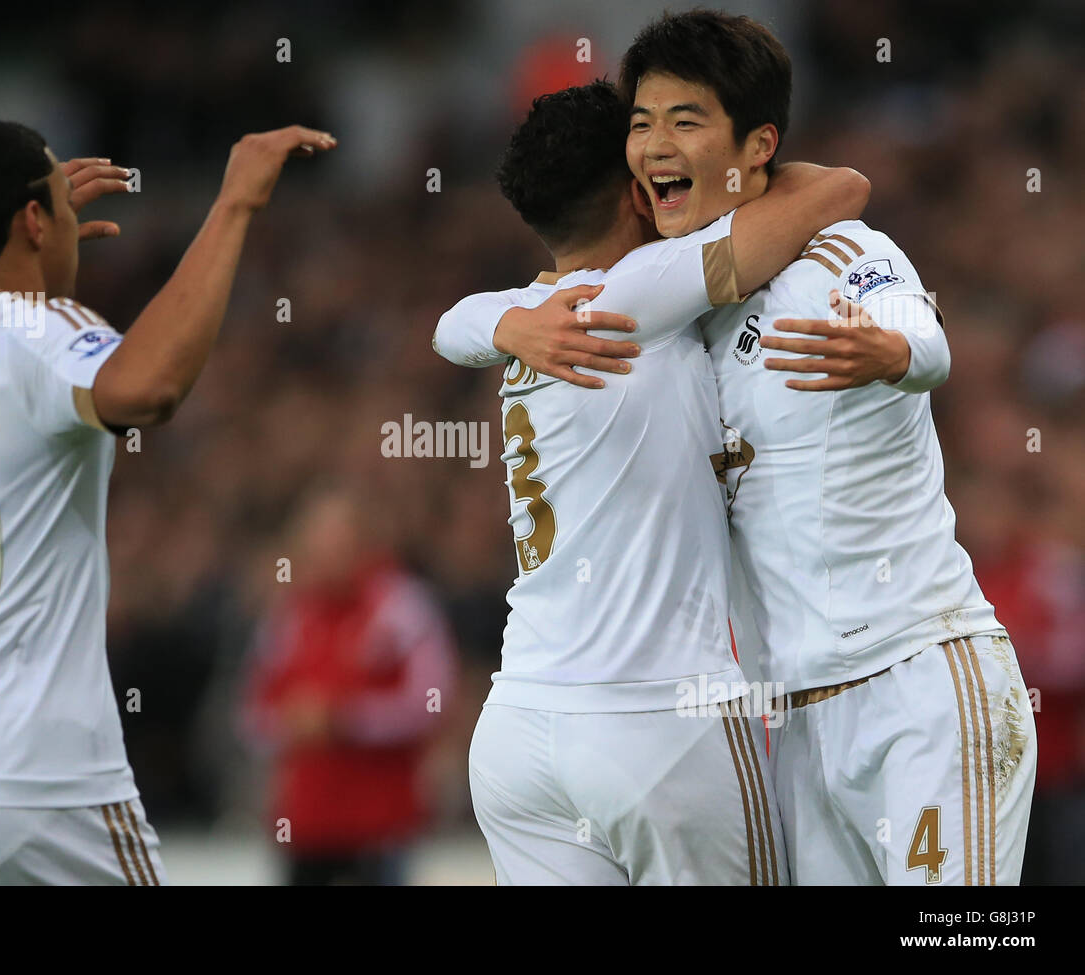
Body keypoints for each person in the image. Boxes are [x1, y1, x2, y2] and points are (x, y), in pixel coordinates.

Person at [440, 10, 1036, 886]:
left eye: (685, 120)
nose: (655, 144)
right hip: (794, 714)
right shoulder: (676, 299)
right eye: (641, 123)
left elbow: (914, 320)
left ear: (755, 144)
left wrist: (901, 352)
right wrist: (510, 319)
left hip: (919, 671)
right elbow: (469, 314)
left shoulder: (834, 251)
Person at [0, 119, 335, 885]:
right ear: (32, 220)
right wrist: (233, 208)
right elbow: (149, 387)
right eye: (54, 197)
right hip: (27, 783)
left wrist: (36, 238)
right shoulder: (44, 331)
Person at [435, 80, 873, 884]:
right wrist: (724, 167)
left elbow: (449, 324)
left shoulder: (526, 315)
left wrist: (497, 323)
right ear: (637, 191)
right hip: (660, 719)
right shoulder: (646, 291)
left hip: (521, 728)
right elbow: (842, 189)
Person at [239, 484, 456, 885]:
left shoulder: (403, 607)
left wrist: (345, 720)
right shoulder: (288, 615)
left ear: (365, 539)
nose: (326, 551)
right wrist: (289, 722)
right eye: (317, 538)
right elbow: (251, 715)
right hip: (304, 825)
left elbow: (432, 704)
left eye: (339, 537)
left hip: (379, 826)